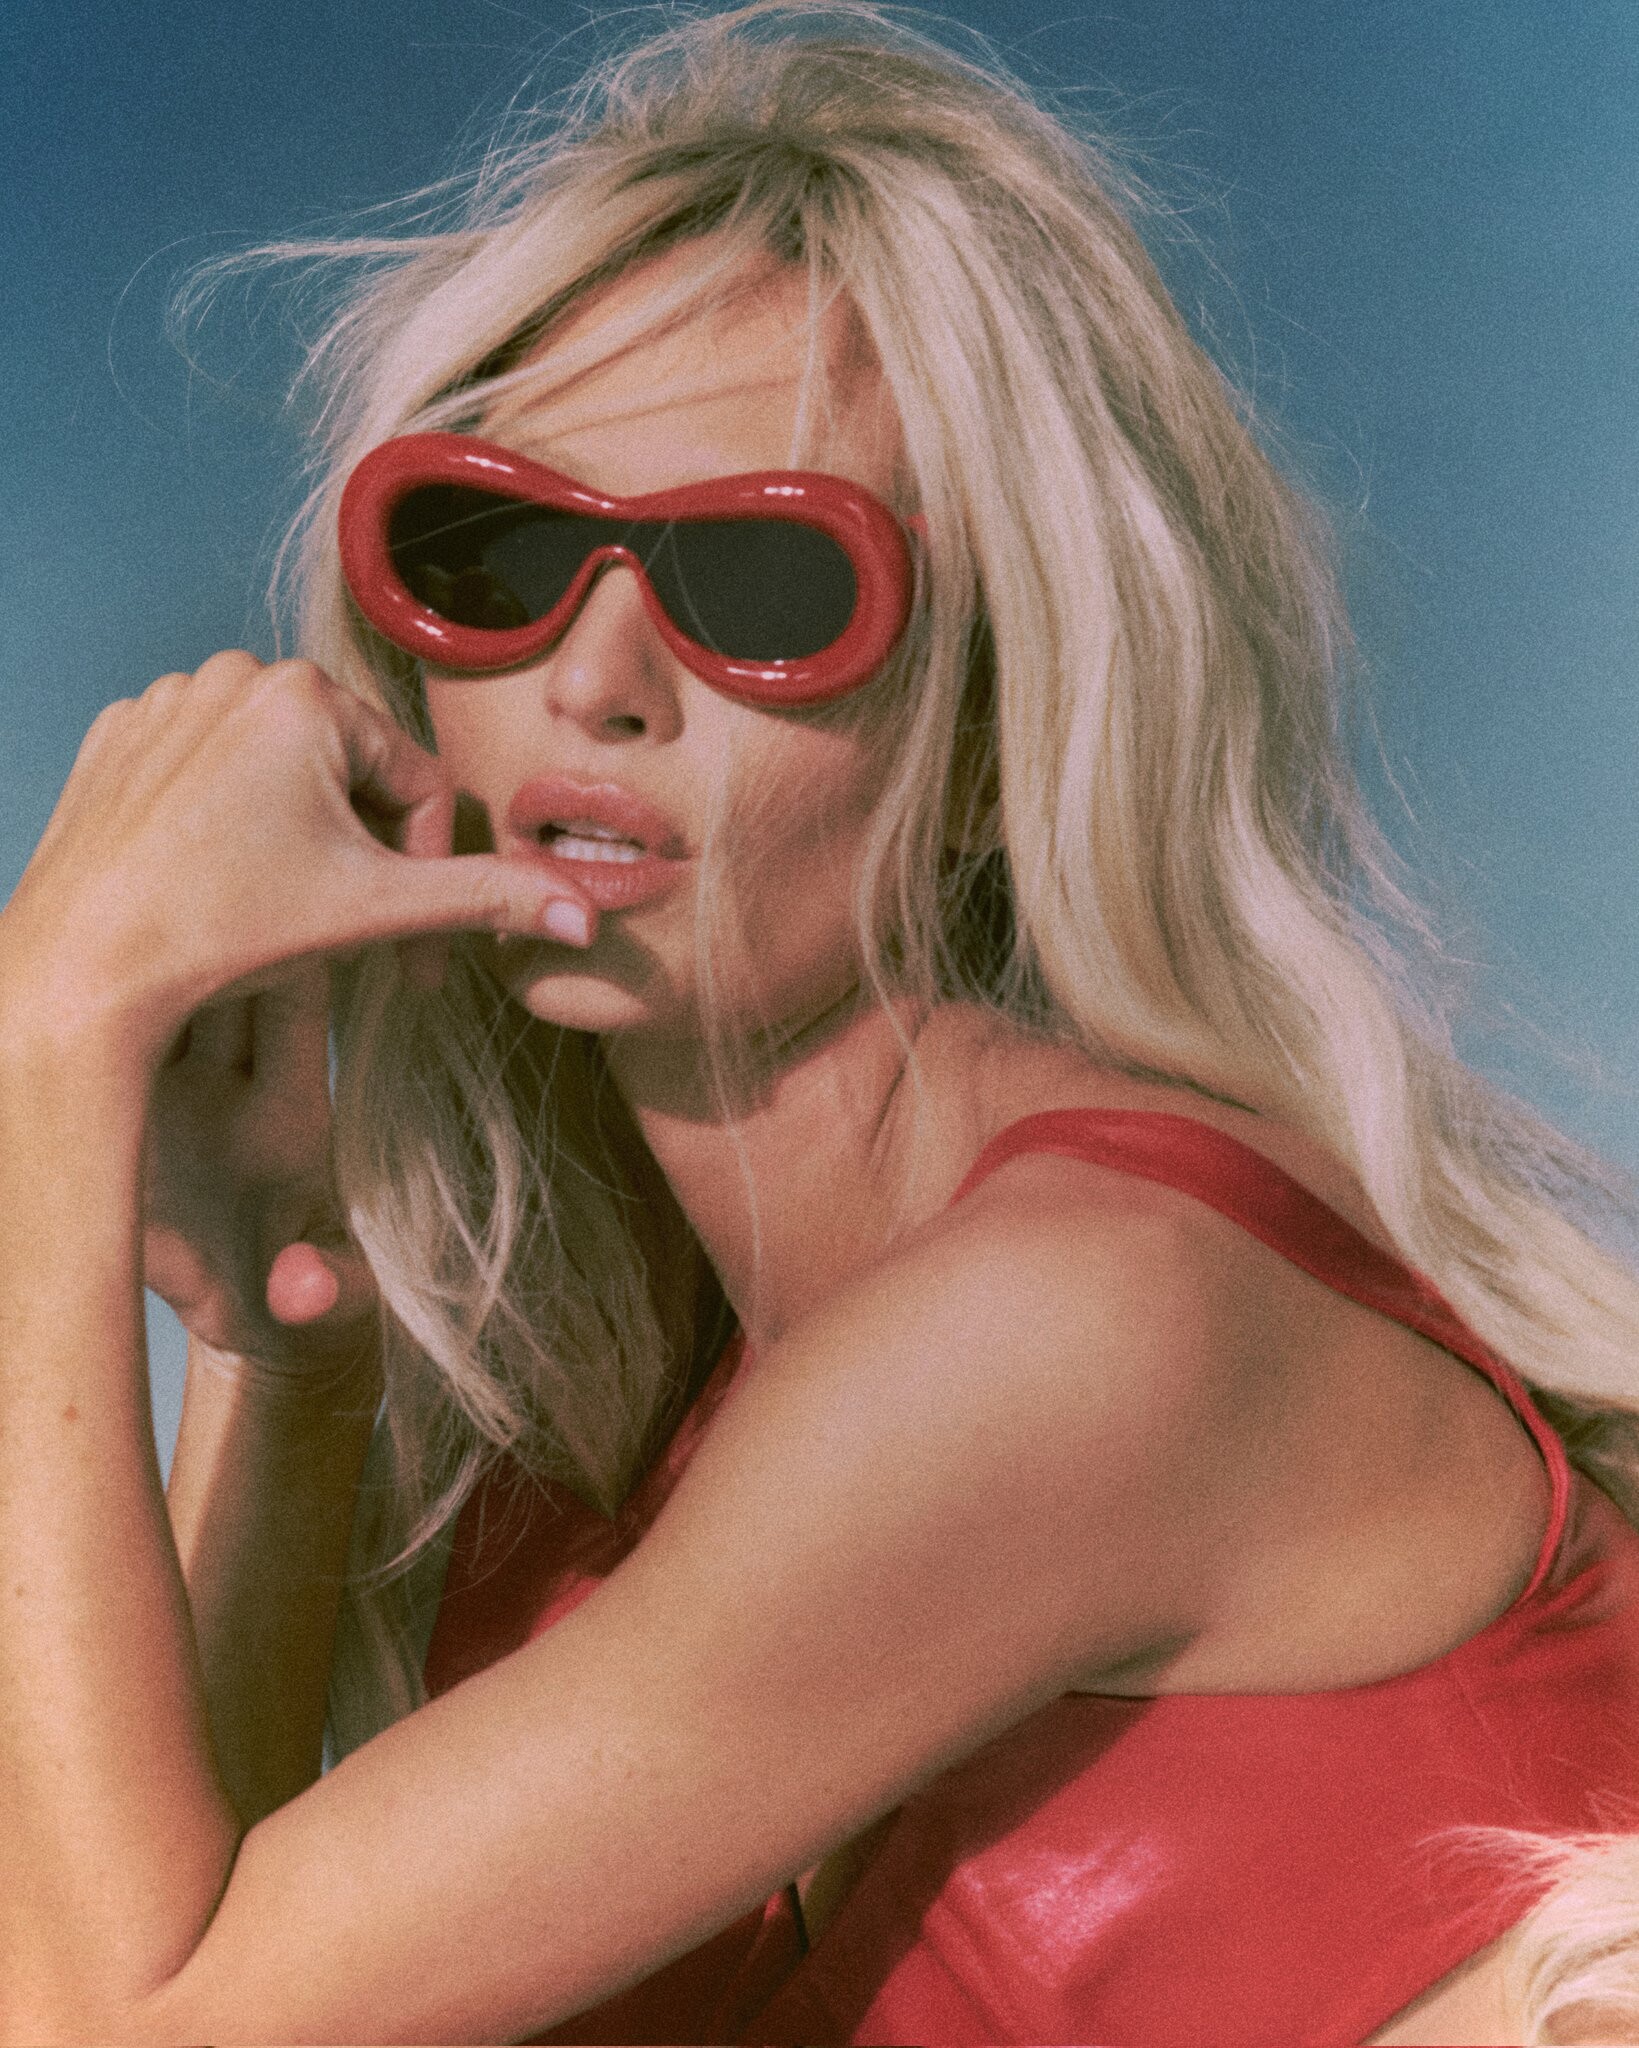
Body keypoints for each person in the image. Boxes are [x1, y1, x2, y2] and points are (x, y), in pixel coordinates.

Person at [3, 3, 1639, 2041]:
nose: (596, 676)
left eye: (764, 583)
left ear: (992, 738)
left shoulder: (1084, 1318)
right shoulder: (605, 1488)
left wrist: (50, 1057)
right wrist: (285, 1339)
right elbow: (162, 1929)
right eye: (494, 551)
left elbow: (119, 2029)